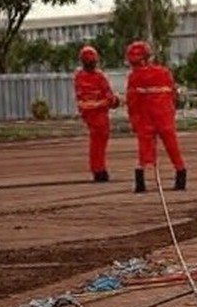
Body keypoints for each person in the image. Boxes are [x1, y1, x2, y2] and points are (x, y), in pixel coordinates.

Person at [125, 40, 186, 193]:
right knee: (173, 148)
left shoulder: (134, 77)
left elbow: (132, 102)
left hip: (146, 119)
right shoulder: (164, 72)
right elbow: (173, 95)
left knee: (144, 151)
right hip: (164, 117)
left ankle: (140, 183)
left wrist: (134, 121)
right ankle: (181, 177)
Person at [74, 45, 120, 182]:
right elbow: (109, 97)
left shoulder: (79, 77)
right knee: (99, 143)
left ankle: (98, 169)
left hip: (89, 114)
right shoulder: (99, 77)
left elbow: (83, 98)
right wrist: (114, 101)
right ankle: (99, 170)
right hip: (99, 113)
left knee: (96, 143)